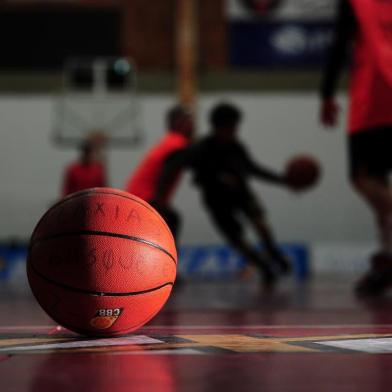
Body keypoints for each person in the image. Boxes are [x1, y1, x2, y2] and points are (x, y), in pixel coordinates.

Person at [154, 102, 296, 288]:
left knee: (260, 222)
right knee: (237, 240)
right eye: (231, 127)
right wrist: (159, 196)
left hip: (241, 194)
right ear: (218, 128)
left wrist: (283, 180)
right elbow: (171, 163)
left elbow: (253, 169)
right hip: (216, 202)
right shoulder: (201, 150)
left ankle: (274, 253)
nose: (234, 131)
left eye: (235, 127)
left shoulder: (236, 147)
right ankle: (264, 268)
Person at [320, 0, 392, 296]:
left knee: (365, 179)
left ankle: (389, 255)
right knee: (378, 183)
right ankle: (387, 255)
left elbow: (340, 45)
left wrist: (327, 94)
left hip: (375, 95)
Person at [125, 105, 194, 240]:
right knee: (171, 222)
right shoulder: (178, 143)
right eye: (188, 120)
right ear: (178, 123)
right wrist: (159, 204)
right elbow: (165, 173)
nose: (192, 124)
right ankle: (169, 260)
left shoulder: (170, 142)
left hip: (137, 200)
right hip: (145, 201)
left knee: (171, 221)